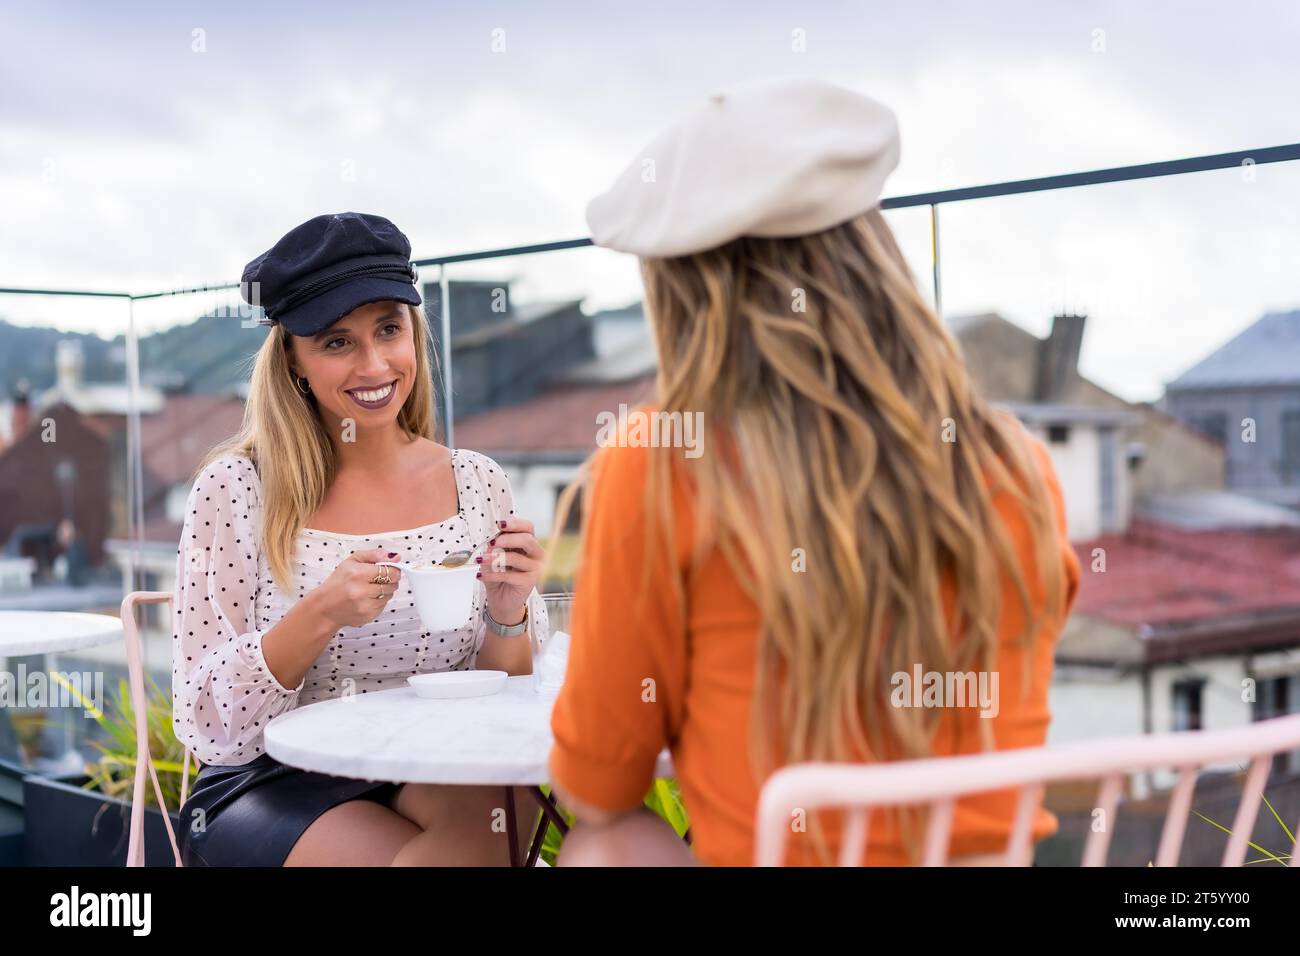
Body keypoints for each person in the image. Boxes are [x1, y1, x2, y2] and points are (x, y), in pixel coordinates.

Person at [545, 77, 1082, 866]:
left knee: (605, 846)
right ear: (874, 252)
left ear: (683, 292)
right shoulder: (1016, 467)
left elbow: (597, 789)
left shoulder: (662, 467)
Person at [172, 212, 548, 866]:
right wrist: (320, 612)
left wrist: (509, 611)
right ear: (293, 359)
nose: (374, 364)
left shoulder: (477, 482)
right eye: (337, 342)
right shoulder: (235, 489)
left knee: (504, 809)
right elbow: (210, 721)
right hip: (273, 773)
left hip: (434, 756)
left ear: (414, 333)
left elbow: (508, 695)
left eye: (388, 330)